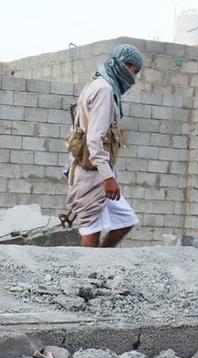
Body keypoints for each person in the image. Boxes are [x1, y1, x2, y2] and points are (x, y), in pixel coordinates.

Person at [66, 44, 144, 248]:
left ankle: (101, 263)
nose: (133, 79)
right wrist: (108, 177)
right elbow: (93, 138)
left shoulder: (100, 84)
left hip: (97, 171)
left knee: (126, 220)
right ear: (123, 66)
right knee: (91, 230)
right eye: (134, 72)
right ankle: (88, 275)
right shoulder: (105, 90)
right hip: (93, 174)